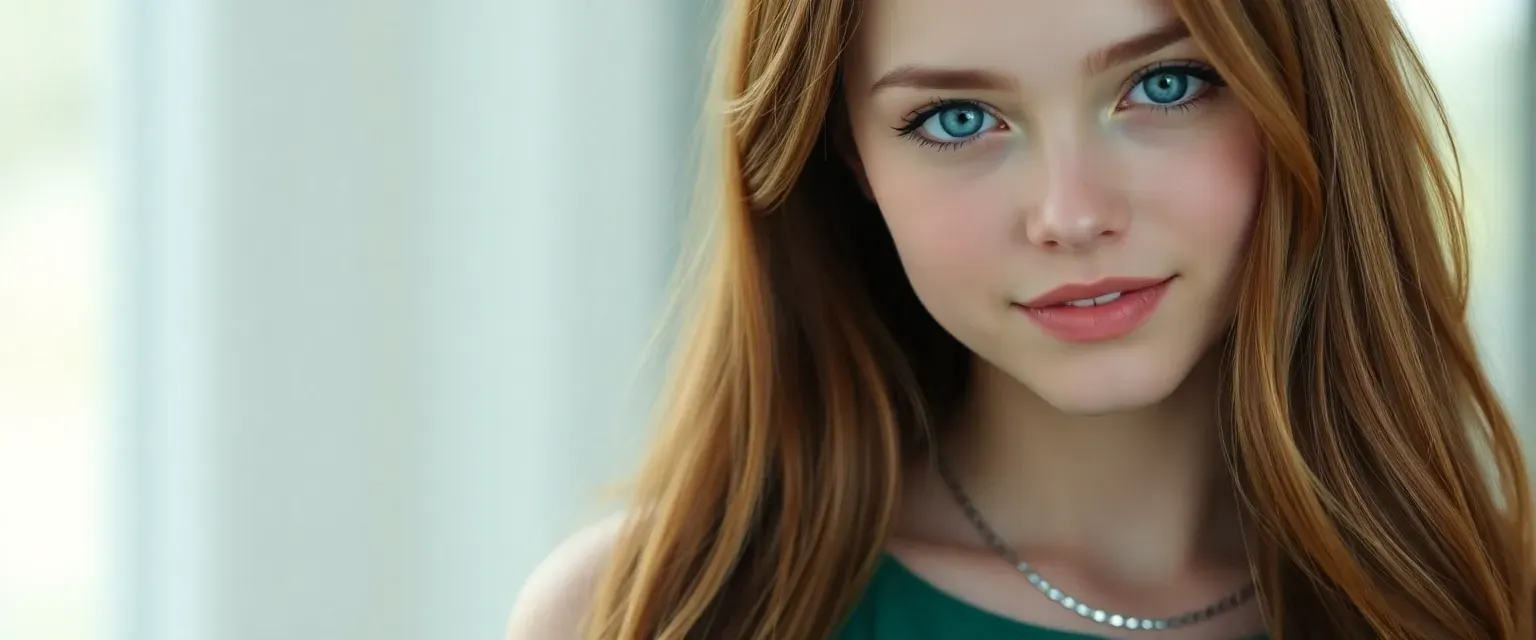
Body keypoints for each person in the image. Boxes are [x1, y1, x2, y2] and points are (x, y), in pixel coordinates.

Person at [507, 0, 1536, 637]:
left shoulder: (1497, 605)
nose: (1073, 213)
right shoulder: (647, 617)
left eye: (1166, 84)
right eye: (957, 120)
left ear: (1308, 100)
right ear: (848, 163)